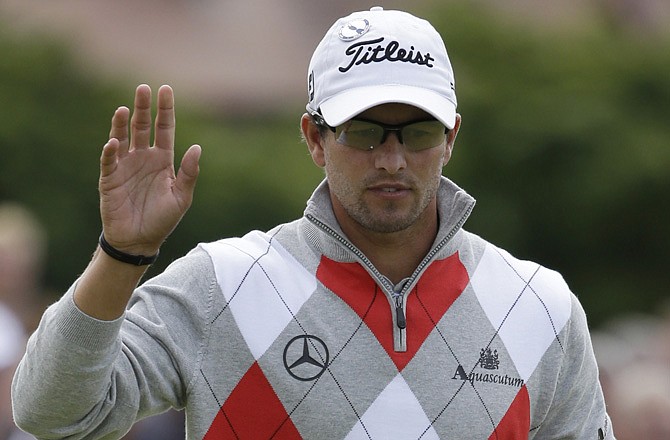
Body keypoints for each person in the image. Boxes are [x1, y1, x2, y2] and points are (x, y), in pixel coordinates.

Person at [12, 7, 614, 439]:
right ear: (314, 137)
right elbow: (53, 413)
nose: (393, 159)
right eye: (364, 131)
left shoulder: (543, 306)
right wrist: (120, 254)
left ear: (452, 137)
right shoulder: (221, 284)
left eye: (420, 131)